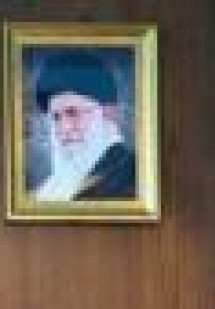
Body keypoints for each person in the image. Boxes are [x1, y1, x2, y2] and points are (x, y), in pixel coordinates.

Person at [31, 51, 136, 201]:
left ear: (108, 113)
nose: (64, 128)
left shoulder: (131, 176)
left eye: (73, 113)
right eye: (56, 117)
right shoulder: (54, 185)